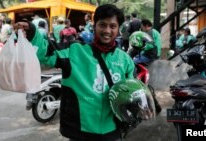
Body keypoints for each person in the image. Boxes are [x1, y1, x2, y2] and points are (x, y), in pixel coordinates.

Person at [15, 4, 137, 141]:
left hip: (112, 131)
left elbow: (132, 92)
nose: (107, 30)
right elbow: (45, 52)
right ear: (94, 25)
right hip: (79, 132)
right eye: (102, 25)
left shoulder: (125, 60)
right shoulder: (74, 51)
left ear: (118, 29)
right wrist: (31, 32)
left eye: (112, 26)